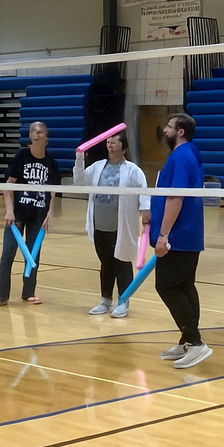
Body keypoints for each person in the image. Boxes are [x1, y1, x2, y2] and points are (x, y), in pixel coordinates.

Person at [151, 113, 211, 369]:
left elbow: (176, 197)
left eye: (169, 126)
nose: (165, 130)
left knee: (167, 286)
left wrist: (164, 236)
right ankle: (188, 339)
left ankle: (196, 343)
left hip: (178, 236)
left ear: (181, 132)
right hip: (187, 235)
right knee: (185, 286)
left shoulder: (183, 156)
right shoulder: (188, 154)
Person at [74, 132, 150, 318]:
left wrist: (146, 211)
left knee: (122, 263)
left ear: (123, 147)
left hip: (121, 227)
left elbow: (144, 193)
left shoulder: (133, 171)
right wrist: (79, 160)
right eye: (108, 141)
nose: (110, 144)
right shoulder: (97, 167)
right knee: (106, 263)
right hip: (100, 224)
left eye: (114, 142)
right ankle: (105, 300)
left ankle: (123, 301)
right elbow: (79, 182)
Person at [0, 122, 61, 309]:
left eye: (40, 132)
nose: (36, 134)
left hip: (38, 216)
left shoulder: (50, 161)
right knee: (8, 254)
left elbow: (54, 192)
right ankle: (1, 296)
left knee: (33, 255)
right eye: (33, 131)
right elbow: (8, 187)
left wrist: (49, 215)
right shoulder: (21, 156)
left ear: (46, 137)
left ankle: (29, 293)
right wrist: (9, 210)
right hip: (17, 216)